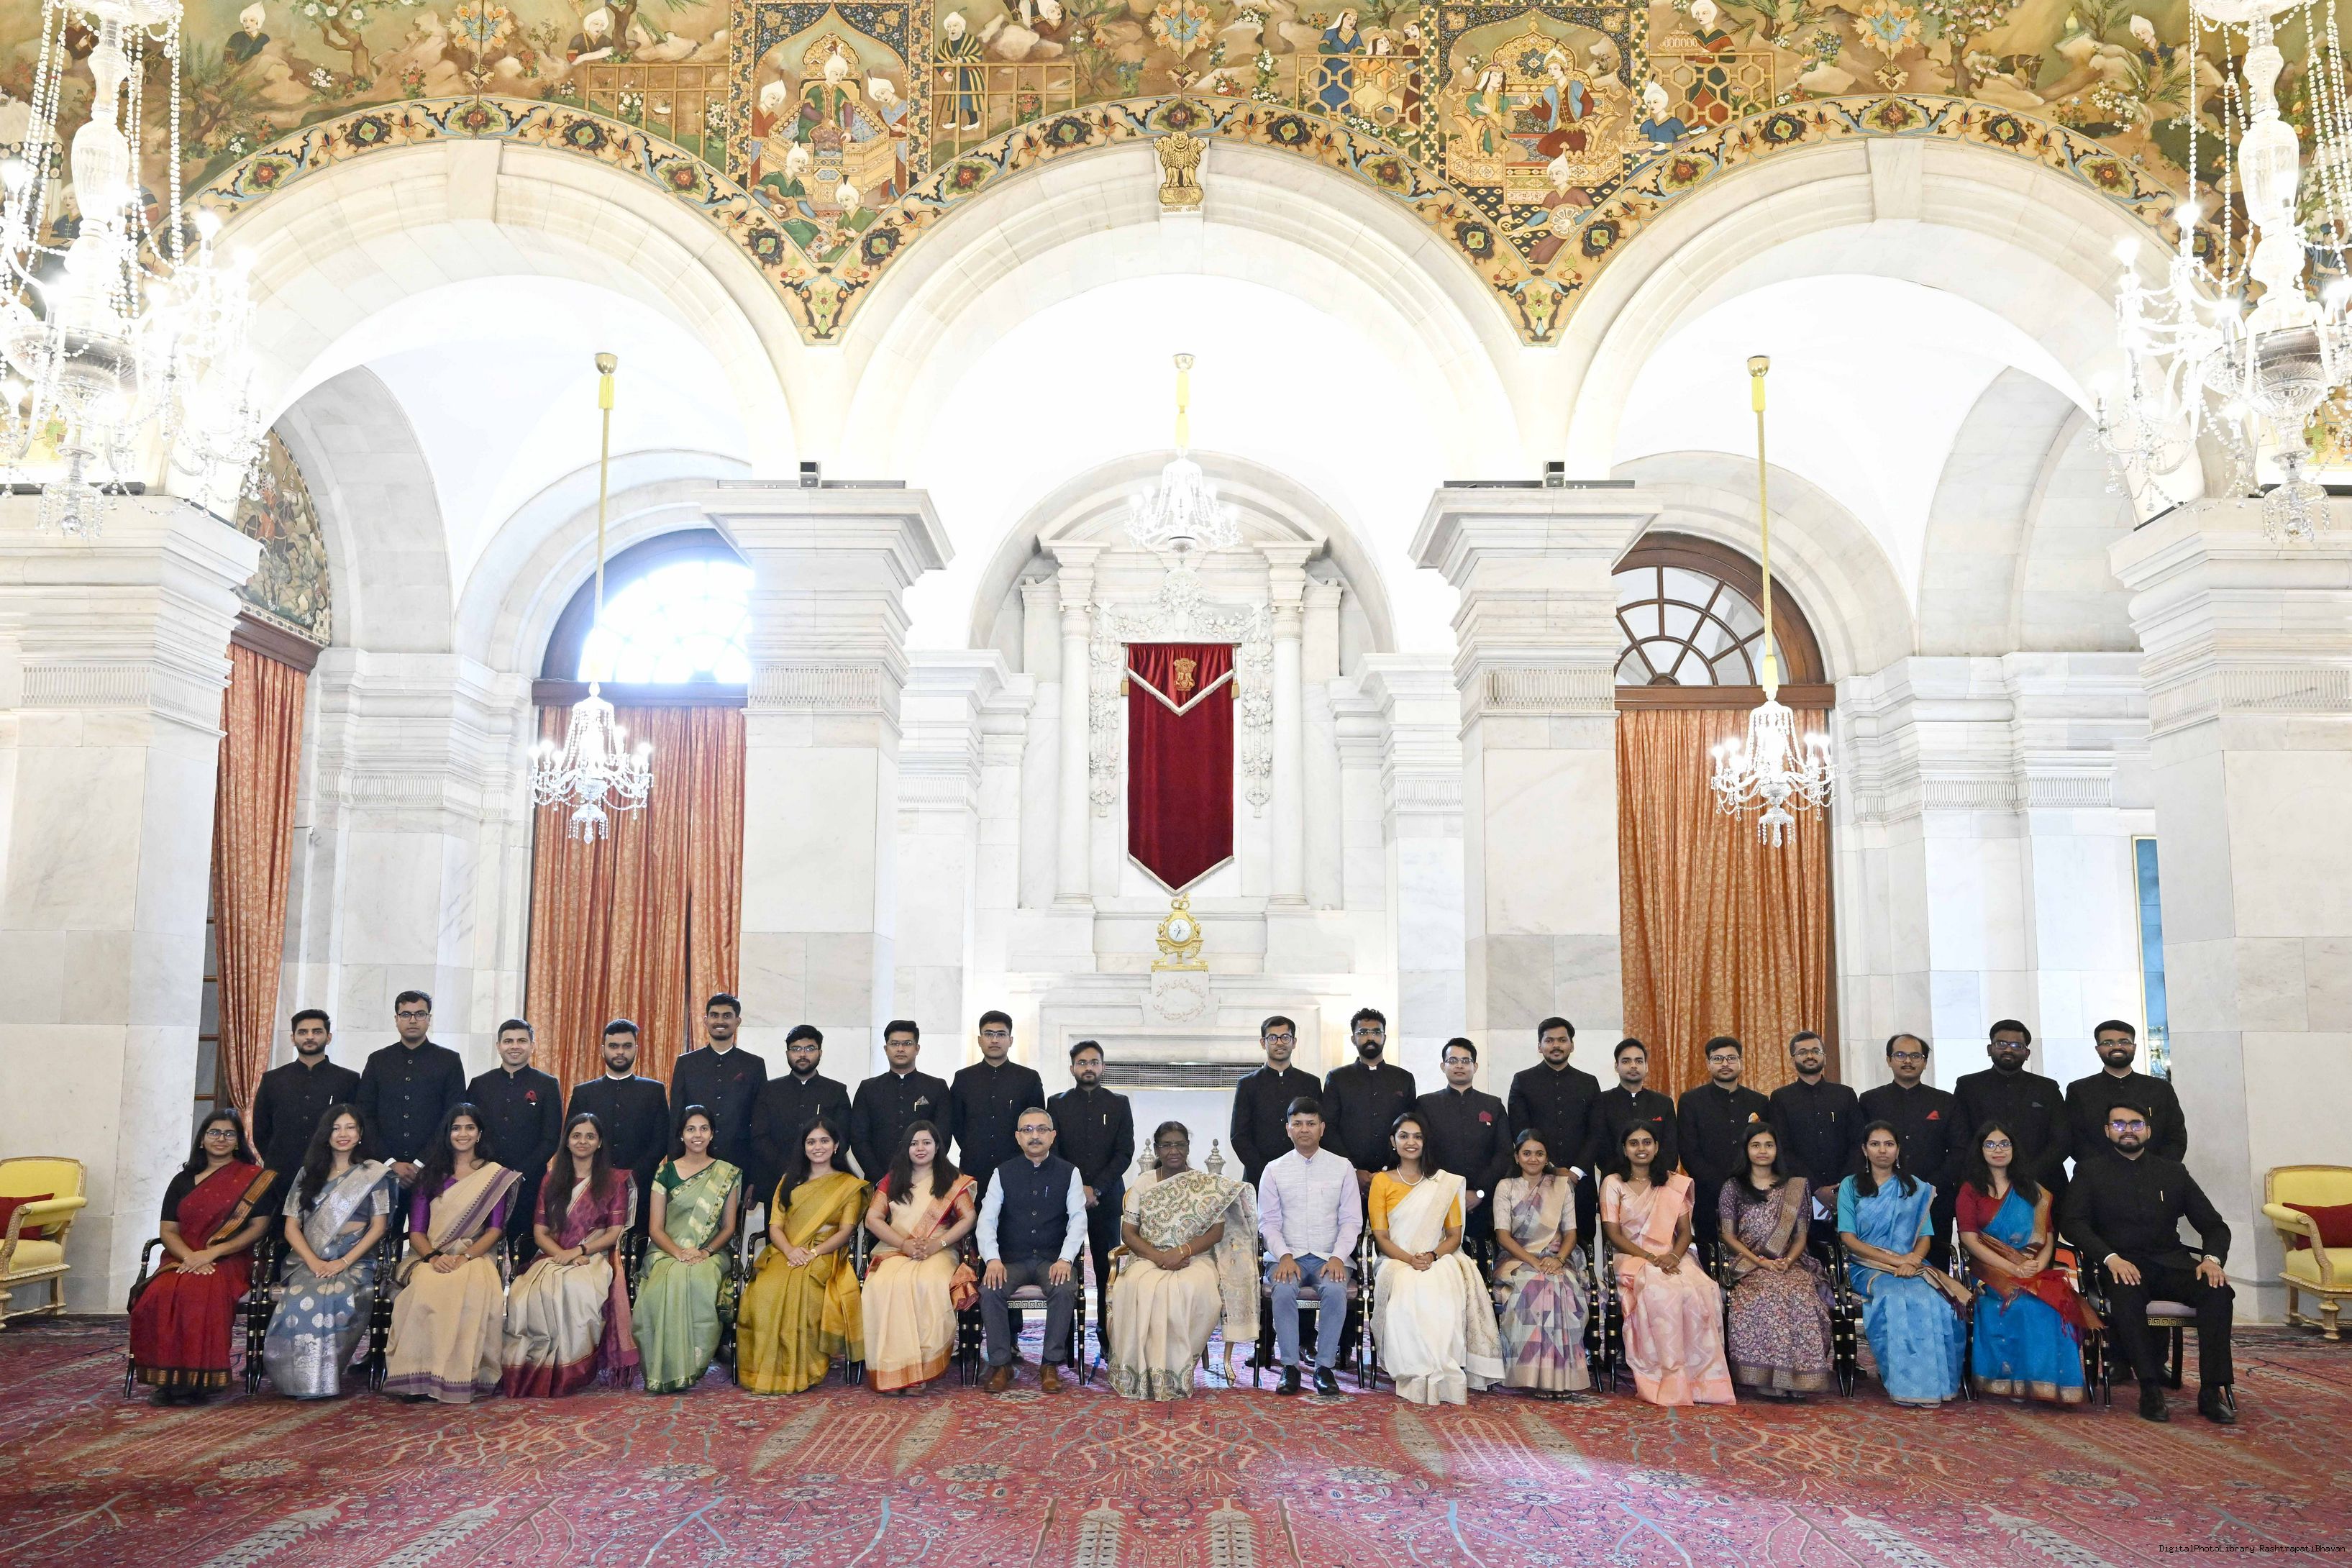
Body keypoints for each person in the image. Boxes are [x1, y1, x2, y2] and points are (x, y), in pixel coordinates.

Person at [2062, 1101, 2235, 1423]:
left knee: (2218, 1291)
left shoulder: (2173, 1172)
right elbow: (2073, 1223)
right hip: (2121, 1266)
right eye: (2119, 1124)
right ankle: (2150, 1388)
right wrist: (2110, 1258)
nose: (2128, 1130)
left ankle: (2212, 1390)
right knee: (2126, 1296)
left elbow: (2214, 1225)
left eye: (2136, 1124)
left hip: (2173, 1264)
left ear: (2148, 1130)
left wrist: (2212, 1260)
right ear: (2107, 1131)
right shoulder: (2090, 1171)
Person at [129, 1112, 276, 1400]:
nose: (221, 1139)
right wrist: (190, 1257)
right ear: (202, 1140)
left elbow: (259, 1228)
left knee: (202, 1292)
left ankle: (200, 1381)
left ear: (238, 1142)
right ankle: (167, 1380)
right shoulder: (182, 1180)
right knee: (158, 1293)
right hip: (181, 1258)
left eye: (229, 1134)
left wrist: (212, 1253)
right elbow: (168, 1230)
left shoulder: (253, 1179)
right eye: (214, 1133)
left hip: (231, 1258)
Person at [1108, 1121, 1257, 1400]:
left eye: (1179, 1144)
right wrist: (1160, 1257)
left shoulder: (1205, 1184)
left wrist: (1183, 1251)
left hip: (1195, 1257)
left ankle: (1176, 1372)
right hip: (1149, 1255)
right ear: (1157, 1150)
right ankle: (1141, 1374)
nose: (1173, 1150)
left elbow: (1216, 1232)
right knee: (1135, 1286)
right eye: (1166, 1145)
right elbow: (1128, 1233)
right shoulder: (1144, 1183)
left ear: (1188, 1147)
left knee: (1190, 1289)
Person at [383, 1104, 521, 1403]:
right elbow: (416, 1231)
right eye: (456, 1128)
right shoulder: (430, 1176)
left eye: (470, 1128)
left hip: (475, 1256)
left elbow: (494, 1231)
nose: (463, 1134)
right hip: (430, 1255)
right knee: (425, 1288)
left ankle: (455, 1376)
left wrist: (464, 1257)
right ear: (447, 1133)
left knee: (469, 1288)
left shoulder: (494, 1176)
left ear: (479, 1133)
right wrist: (434, 1257)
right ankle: (419, 1377)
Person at [1369, 1110, 1503, 1405]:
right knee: (1407, 1291)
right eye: (1404, 1136)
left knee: (1442, 1289)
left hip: (1439, 1256)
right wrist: (1410, 1259)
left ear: (1425, 1141)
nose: (1411, 1142)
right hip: (1396, 1259)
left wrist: (1431, 1255)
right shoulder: (1382, 1181)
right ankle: (1416, 1369)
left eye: (1417, 1136)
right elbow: (1382, 1237)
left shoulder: (1444, 1183)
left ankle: (1443, 1367)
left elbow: (1454, 1236)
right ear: (1393, 1141)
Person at [499, 1112, 637, 1397]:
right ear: (567, 1141)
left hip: (595, 1256)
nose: (582, 1141)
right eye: (576, 1136)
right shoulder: (551, 1180)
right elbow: (540, 1232)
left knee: (575, 1289)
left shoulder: (614, 1181)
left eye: (590, 1136)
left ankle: (570, 1372)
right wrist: (563, 1254)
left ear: (600, 1142)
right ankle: (533, 1370)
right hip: (553, 1254)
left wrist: (579, 1251)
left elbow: (614, 1233)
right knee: (523, 1295)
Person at [263, 1106, 393, 1399]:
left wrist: (343, 1262)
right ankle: (296, 1380)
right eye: (336, 1128)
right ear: (326, 1134)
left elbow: (379, 1227)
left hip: (355, 1259)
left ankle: (324, 1378)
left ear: (360, 1133)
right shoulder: (308, 1174)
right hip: (309, 1258)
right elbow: (291, 1227)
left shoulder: (374, 1174)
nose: (343, 1134)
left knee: (337, 1295)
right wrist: (314, 1261)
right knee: (298, 1298)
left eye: (350, 1127)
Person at [1956, 1121, 2088, 1405]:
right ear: (1980, 1150)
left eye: (2004, 1144)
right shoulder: (1971, 1190)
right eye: (1990, 1144)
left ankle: (2052, 1385)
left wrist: (2039, 1264)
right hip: (1990, 1272)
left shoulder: (2033, 1190)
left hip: (2032, 1270)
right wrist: (2013, 1268)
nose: (1998, 1150)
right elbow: (1969, 1239)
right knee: (2024, 1305)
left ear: (2014, 1149)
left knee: (2057, 1306)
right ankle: (2015, 1382)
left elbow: (2049, 1236)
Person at [1836, 1121, 1967, 1408]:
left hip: (1913, 1264)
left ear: (1898, 1149)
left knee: (1936, 1300)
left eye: (1889, 1144)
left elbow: (1925, 1236)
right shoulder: (1851, 1185)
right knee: (1894, 1297)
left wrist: (1914, 1260)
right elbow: (1848, 1238)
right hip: (1868, 1265)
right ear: (1864, 1150)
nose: (1882, 1150)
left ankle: (1935, 1384)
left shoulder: (1915, 1187)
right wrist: (1896, 1261)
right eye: (1875, 1144)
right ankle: (1903, 1383)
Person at [1600, 1123, 1732, 1406]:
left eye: (1647, 1142)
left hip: (1671, 1255)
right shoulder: (1613, 1182)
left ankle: (1702, 1383)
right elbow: (1613, 1235)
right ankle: (1667, 1378)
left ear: (1657, 1147)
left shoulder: (1672, 1183)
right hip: (1632, 1257)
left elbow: (1684, 1232)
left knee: (1703, 1289)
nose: (1641, 1148)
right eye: (1634, 1143)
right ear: (1624, 1149)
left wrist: (1673, 1256)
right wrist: (1649, 1258)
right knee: (1662, 1290)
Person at [738, 1113, 867, 1395]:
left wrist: (813, 1252)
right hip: (786, 1251)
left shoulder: (848, 1185)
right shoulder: (789, 1180)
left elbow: (846, 1231)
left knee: (805, 1289)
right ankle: (765, 1369)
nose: (817, 1147)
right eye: (811, 1142)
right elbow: (775, 1226)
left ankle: (805, 1368)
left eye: (824, 1141)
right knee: (764, 1291)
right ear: (803, 1146)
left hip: (824, 1255)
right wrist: (789, 1250)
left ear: (836, 1146)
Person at [1717, 1124, 1834, 1399]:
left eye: (1769, 1145)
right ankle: (1768, 1379)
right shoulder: (1733, 1187)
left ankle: (1799, 1379)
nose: (1763, 1151)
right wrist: (1760, 1261)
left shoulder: (1794, 1187)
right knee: (1767, 1295)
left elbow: (1801, 1235)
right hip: (1748, 1264)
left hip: (1791, 1263)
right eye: (1756, 1145)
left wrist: (1788, 1261)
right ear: (1746, 1150)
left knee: (1801, 1296)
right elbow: (1728, 1236)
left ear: (1777, 1150)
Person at [860, 1121, 978, 1393]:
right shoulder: (893, 1179)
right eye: (914, 1143)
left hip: (939, 1251)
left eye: (926, 1142)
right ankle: (892, 1369)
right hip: (896, 1249)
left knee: (927, 1283)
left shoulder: (952, 1180)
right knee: (881, 1285)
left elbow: (969, 1217)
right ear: (906, 1148)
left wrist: (938, 1243)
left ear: (937, 1146)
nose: (920, 1148)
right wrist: (903, 1244)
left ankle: (921, 1370)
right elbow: (873, 1218)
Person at [634, 1106, 744, 1393]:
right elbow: (656, 1228)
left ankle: (691, 1365)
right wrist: (679, 1253)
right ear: (681, 1135)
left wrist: (705, 1252)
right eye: (691, 1129)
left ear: (712, 1134)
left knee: (699, 1278)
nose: (698, 1135)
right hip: (666, 1251)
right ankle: (663, 1368)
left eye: (704, 1128)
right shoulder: (666, 1172)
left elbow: (728, 1228)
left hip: (711, 1253)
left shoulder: (727, 1173)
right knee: (664, 1282)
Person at [976, 1107, 1085, 1392]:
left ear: (1052, 1135)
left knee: (1064, 1288)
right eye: (1027, 1130)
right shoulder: (1002, 1173)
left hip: (1051, 1260)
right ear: (1018, 1137)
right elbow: (986, 1220)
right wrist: (992, 1260)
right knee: (990, 1289)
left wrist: (1065, 1259)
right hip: (1012, 1260)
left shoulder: (1069, 1172)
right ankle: (1001, 1364)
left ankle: (1050, 1364)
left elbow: (1078, 1219)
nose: (1034, 1136)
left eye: (1041, 1129)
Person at [1258, 1098, 1361, 1397]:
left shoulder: (1342, 1167)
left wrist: (1338, 1257)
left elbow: (1352, 1221)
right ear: (1288, 1129)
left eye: (1311, 1123)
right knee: (1283, 1288)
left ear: (1322, 1128)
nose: (1305, 1129)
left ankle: (1324, 1368)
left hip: (1330, 1257)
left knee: (1335, 1289)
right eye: (1298, 1124)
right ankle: (1289, 1367)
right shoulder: (1274, 1170)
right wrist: (1284, 1255)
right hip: (1286, 1256)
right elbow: (1268, 1223)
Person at [1048, 1038, 1135, 1337]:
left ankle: (1108, 1334)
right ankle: (1063, 1337)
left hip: (1106, 1200)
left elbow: (1124, 1153)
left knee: (1107, 1271)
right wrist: (1077, 1191)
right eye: (1082, 1062)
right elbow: (1053, 1152)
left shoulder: (1119, 1103)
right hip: (1064, 1201)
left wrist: (1095, 1189)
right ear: (1072, 1068)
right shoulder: (1056, 1104)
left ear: (1103, 1067)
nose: (1088, 1067)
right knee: (1064, 1267)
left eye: (1094, 1062)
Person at [1491, 1129, 1588, 1393]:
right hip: (1517, 1257)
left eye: (1539, 1154)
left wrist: (1559, 1259)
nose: (1533, 1159)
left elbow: (1571, 1233)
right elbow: (1503, 1236)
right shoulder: (1506, 1187)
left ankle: (1560, 1377)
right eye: (1527, 1153)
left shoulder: (1560, 1186)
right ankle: (1530, 1374)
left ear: (1547, 1158)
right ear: (1517, 1157)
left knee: (1561, 1286)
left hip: (1558, 1258)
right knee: (1534, 1285)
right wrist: (1534, 1262)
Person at [1855, 1034, 1963, 1269]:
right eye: (1900, 1055)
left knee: (1935, 1269)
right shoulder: (1870, 1100)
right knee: (1886, 1266)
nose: (1908, 1061)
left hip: (1934, 1198)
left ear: (1925, 1062)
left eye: (1915, 1056)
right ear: (1889, 1060)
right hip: (1881, 1198)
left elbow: (1959, 1149)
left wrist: (1931, 1187)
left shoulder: (1945, 1101)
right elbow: (1861, 1147)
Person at [567, 1020, 670, 1237]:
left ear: (636, 1049)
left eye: (627, 1046)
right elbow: (571, 1139)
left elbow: (661, 1140)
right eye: (614, 1046)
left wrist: (632, 1175)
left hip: (640, 1184)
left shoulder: (653, 1091)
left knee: (634, 1245)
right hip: (591, 1183)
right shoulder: (584, 1093)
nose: (620, 1052)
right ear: (603, 1049)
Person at [467, 1018, 563, 1249]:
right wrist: (483, 1166)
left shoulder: (547, 1085)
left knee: (523, 1246)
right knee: (481, 1243)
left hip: (529, 1180)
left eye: (522, 1041)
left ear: (532, 1046)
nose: (515, 1046)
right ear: (498, 1046)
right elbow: (469, 1131)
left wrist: (521, 1173)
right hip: (484, 1177)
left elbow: (551, 1138)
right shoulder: (480, 1085)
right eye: (508, 1041)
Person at [354, 990, 467, 1188]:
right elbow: (365, 1115)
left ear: (429, 1019)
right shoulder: (378, 1060)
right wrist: (390, 1162)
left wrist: (420, 1163)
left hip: (434, 1169)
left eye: (420, 1014)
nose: (413, 1020)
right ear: (396, 1019)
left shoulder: (449, 1061)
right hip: (382, 1171)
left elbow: (453, 1117)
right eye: (406, 1014)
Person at [1506, 1016, 1601, 1239]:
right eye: (1549, 1041)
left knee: (1582, 1240)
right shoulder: (1523, 1081)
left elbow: (1597, 1133)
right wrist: (1549, 1168)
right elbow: (1520, 1132)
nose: (1556, 1045)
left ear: (1572, 1045)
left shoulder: (1589, 1083)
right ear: (1540, 1046)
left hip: (1581, 1183)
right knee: (1535, 1242)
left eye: (1562, 1040)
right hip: (1535, 1180)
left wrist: (1576, 1172)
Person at [1954, 1020, 2071, 1198]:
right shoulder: (1968, 1086)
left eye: (2017, 1045)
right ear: (1989, 1049)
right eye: (2001, 1044)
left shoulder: (2047, 1088)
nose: (2008, 1049)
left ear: (2027, 1053)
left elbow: (2062, 1140)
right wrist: (1991, 1174)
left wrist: (2029, 1173)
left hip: (2042, 1182)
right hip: (1983, 1184)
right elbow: (1961, 1138)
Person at [250, 1008, 360, 1199]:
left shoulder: (348, 1079)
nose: (310, 1037)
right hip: (281, 1175)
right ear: (293, 1038)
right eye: (303, 1032)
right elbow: (261, 1130)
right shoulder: (273, 1080)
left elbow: (357, 1127)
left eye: (317, 1032)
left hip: (333, 1172)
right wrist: (277, 1159)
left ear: (329, 1037)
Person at [1415, 1038, 1510, 1256]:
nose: (1459, 1065)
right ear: (1443, 1066)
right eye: (1453, 1060)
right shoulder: (1426, 1104)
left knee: (1481, 1262)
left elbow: (1504, 1153)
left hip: (1482, 1203)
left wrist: (1480, 1192)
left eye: (1466, 1061)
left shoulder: (1493, 1104)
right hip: (1438, 1200)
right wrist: (1447, 1193)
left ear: (1475, 1066)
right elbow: (1421, 1151)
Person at [1676, 1035, 1771, 1246]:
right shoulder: (1691, 1101)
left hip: (1753, 1192)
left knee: (1757, 1251)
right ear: (1708, 1064)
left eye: (1731, 1058)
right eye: (1718, 1059)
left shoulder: (1759, 1101)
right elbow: (1689, 1153)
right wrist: (1723, 1187)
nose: (1725, 1063)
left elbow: (1768, 1148)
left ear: (1741, 1062)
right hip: (1708, 1193)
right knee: (1710, 1253)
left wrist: (1750, 1184)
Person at [747, 1023, 851, 1203]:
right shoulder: (769, 1090)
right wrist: (788, 1169)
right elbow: (759, 1136)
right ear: (787, 1053)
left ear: (820, 1052)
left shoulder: (836, 1091)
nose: (803, 1054)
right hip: (777, 1180)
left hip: (824, 1182)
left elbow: (843, 1137)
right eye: (796, 1049)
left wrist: (817, 1169)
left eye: (810, 1048)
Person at [2063, 1020, 2186, 1167]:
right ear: (2098, 1049)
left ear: (2134, 1047)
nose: (2117, 1047)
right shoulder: (2080, 1090)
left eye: (2124, 1042)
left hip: (2156, 1173)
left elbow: (2176, 1136)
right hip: (2098, 1175)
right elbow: (2075, 1139)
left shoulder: (2160, 1088)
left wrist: (2160, 1168)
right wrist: (2102, 1170)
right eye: (2108, 1043)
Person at [668, 993, 767, 1174]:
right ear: (706, 1021)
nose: (720, 1021)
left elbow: (760, 1122)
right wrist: (673, 1169)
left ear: (737, 1022)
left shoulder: (754, 1065)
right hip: (692, 1163)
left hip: (739, 1163)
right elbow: (676, 1117)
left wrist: (756, 1177)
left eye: (727, 1016)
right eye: (714, 1015)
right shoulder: (686, 1063)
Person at [950, 1010, 1047, 1197]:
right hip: (974, 1166)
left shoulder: (1028, 1078)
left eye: (1001, 1034)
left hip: (1018, 1165)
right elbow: (956, 1123)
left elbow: (1037, 1123)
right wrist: (975, 1147)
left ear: (1010, 1040)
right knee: (974, 1214)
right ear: (980, 1040)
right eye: (989, 1034)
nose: (995, 1040)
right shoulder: (964, 1078)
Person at [1322, 1006, 1416, 1193]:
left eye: (1376, 1032)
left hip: (1395, 1175)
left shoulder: (1403, 1078)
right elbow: (1329, 1128)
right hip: (1346, 1177)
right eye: (1363, 1032)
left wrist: (1390, 1169)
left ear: (1384, 1037)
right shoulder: (1337, 1078)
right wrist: (1352, 1170)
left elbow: (1410, 1127)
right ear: (1353, 1039)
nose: (1370, 1037)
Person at [851, 1020, 953, 1188]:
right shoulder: (868, 1088)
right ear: (886, 1049)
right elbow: (859, 1139)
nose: (900, 1049)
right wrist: (880, 1179)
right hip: (878, 1180)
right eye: (894, 1044)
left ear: (917, 1048)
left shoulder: (936, 1087)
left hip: (925, 1180)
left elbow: (943, 1136)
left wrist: (922, 1173)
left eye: (907, 1044)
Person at [1230, 1014, 1321, 1188]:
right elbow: (1239, 1135)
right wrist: (1265, 1171)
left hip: (1303, 1174)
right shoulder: (1248, 1084)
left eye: (1285, 1037)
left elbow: (1318, 1130)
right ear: (1263, 1043)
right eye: (1273, 1038)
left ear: (1294, 1042)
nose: (1279, 1043)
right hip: (1259, 1176)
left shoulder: (1310, 1083)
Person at [1767, 1031, 1860, 1198]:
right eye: (1802, 1052)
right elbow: (1783, 1148)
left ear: (1824, 1057)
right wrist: (1815, 1188)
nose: (1810, 1056)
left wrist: (1842, 1187)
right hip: (1800, 1192)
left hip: (1846, 1190)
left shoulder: (1845, 1095)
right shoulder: (1781, 1098)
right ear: (1792, 1060)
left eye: (1816, 1051)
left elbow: (1857, 1143)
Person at [1591, 1038, 1679, 1174]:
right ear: (1616, 1066)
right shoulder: (1602, 1101)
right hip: (1615, 1179)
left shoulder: (1663, 1103)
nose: (1633, 1066)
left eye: (1639, 1061)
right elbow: (1600, 1147)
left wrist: (1653, 1177)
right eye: (1626, 1061)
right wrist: (1627, 1178)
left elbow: (1671, 1149)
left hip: (1657, 1180)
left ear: (1646, 1066)